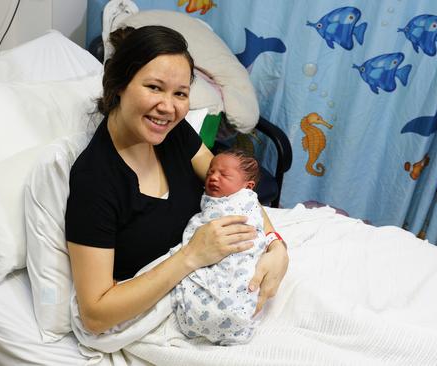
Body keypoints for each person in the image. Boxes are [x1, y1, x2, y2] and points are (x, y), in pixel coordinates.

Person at [65, 25, 288, 336]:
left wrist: (276, 245)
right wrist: (191, 256)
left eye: (180, 93)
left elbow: (236, 196)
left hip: (228, 282)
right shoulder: (96, 181)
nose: (168, 107)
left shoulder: (173, 134)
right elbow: (96, 313)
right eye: (154, 87)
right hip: (178, 312)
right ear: (119, 85)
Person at [172, 148, 284, 345]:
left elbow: (254, 229)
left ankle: (232, 315)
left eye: (224, 175)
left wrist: (276, 244)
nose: (213, 177)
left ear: (248, 187)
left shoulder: (244, 203)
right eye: (210, 173)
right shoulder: (211, 201)